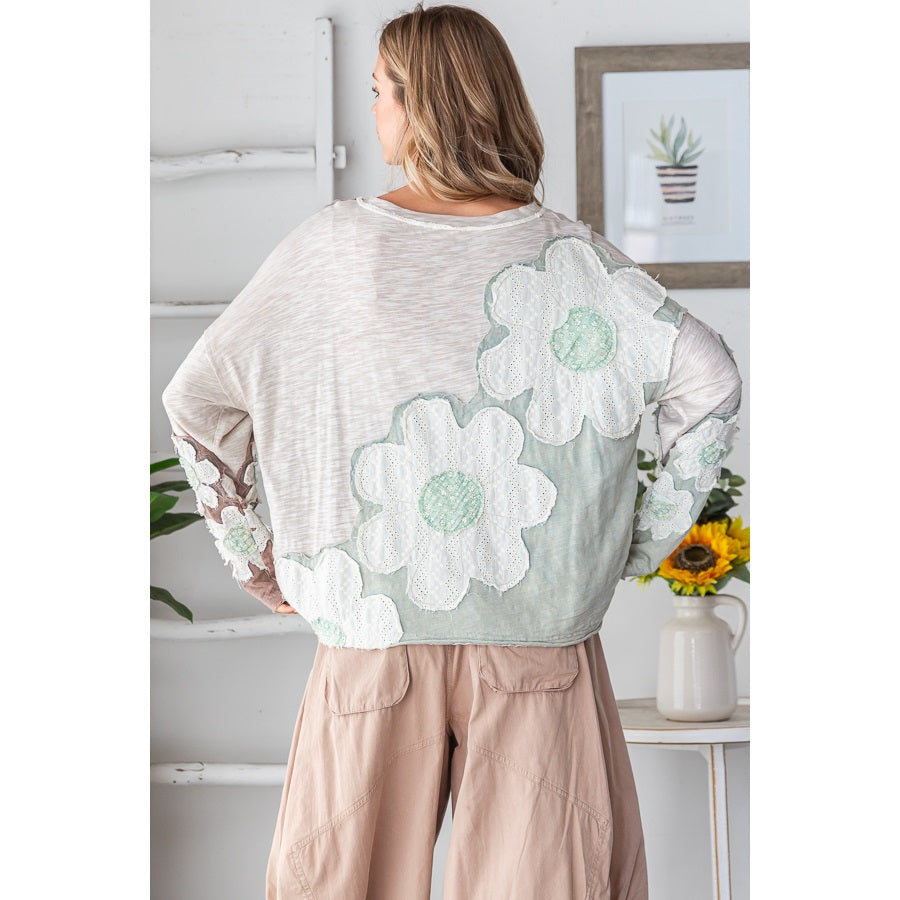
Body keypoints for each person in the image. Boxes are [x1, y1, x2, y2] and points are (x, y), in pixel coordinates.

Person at [162, 4, 742, 898]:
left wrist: (253, 557)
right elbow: (709, 380)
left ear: (420, 103)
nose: (374, 114)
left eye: (380, 93)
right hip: (538, 632)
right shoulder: (572, 257)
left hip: (371, 628)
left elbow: (199, 397)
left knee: (338, 882)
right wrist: (636, 541)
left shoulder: (335, 248)